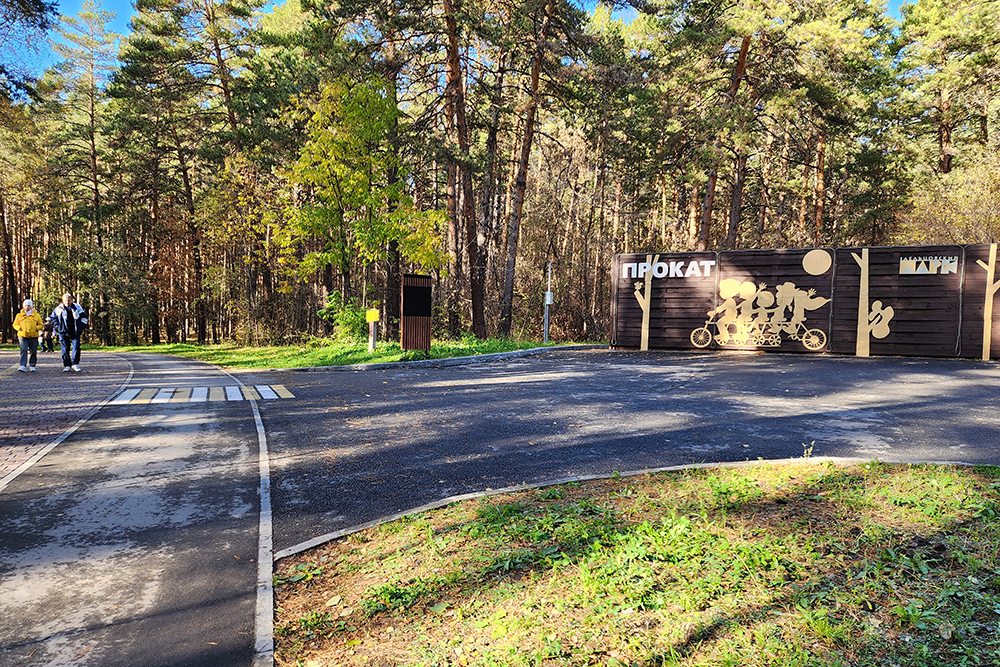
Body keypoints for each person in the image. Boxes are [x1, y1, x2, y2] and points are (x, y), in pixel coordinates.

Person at [51, 293, 88, 372]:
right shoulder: (58, 309)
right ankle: (67, 365)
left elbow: (84, 318)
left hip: (75, 331)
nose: (67, 302)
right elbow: (53, 319)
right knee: (65, 348)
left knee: (76, 347)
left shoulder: (77, 308)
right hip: (63, 332)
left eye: (68, 300)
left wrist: (81, 327)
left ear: (72, 300)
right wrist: (58, 328)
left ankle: (75, 363)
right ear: (63, 301)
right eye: (65, 300)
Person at [14, 299, 44, 372]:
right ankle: (22, 365)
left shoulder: (36, 315)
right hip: (22, 335)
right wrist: (19, 328)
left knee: (33, 350)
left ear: (31, 306)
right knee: (23, 350)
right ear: (23, 306)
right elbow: (15, 324)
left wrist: (36, 328)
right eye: (25, 305)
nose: (27, 307)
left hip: (33, 335)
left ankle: (32, 365)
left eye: (29, 305)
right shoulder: (19, 315)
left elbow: (41, 324)